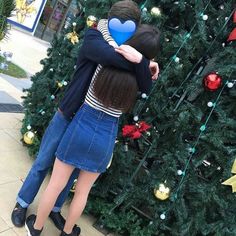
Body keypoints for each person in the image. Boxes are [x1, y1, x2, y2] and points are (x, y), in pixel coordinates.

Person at [11, 0, 159, 231]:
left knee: (70, 175)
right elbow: (112, 59)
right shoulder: (94, 38)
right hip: (70, 113)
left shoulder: (131, 51)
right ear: (109, 22)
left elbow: (144, 84)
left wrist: (141, 62)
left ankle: (55, 210)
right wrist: (144, 63)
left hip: (89, 121)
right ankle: (22, 203)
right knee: (44, 161)